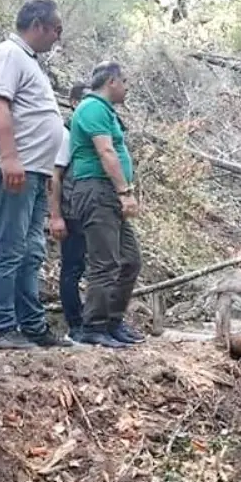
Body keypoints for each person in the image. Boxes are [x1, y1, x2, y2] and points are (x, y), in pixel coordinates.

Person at [0, 0, 71, 350]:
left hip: (34, 171)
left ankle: (31, 326)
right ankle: (1, 329)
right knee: (10, 250)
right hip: (13, 168)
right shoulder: (8, 54)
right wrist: (10, 158)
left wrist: (42, 168)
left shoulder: (30, 62)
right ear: (39, 24)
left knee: (31, 253)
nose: (59, 36)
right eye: (57, 29)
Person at [68, 61, 144, 348]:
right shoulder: (92, 108)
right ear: (111, 81)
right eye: (124, 81)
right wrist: (125, 192)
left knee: (130, 259)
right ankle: (94, 326)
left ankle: (113, 321)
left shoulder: (106, 112)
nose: (126, 87)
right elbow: (106, 151)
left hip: (109, 193)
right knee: (105, 262)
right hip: (97, 191)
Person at [48, 82, 88, 344]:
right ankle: (74, 325)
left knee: (89, 267)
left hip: (89, 211)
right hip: (72, 211)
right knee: (72, 268)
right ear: (73, 103)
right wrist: (56, 215)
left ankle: (91, 321)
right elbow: (55, 175)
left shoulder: (89, 134)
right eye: (84, 100)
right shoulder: (66, 134)